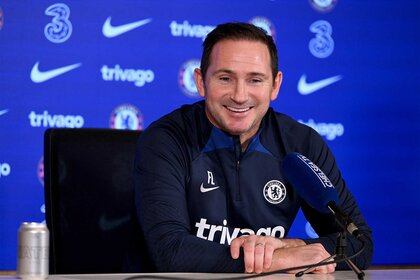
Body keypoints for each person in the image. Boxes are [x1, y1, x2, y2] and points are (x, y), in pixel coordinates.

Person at [134, 22, 373, 274]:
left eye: (255, 80)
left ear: (275, 85)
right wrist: (283, 259)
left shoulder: (302, 143)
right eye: (225, 78)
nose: (239, 95)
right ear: (201, 82)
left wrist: (288, 245)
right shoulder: (166, 139)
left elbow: (359, 242)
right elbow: (169, 251)